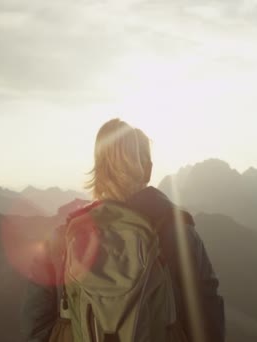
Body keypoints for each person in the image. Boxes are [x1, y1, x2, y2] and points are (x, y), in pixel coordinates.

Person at [21, 118, 225, 342]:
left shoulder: (61, 239)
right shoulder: (180, 235)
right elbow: (208, 317)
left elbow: (36, 322)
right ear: (146, 170)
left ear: (97, 169)